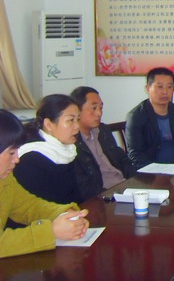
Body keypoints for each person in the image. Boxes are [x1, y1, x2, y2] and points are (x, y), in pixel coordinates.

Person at [0, 109, 89, 258]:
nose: (17, 159)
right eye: (11, 153)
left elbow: (28, 206)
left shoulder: (5, 178)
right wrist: (50, 232)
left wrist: (65, 213)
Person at [13, 95, 83, 204]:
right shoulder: (30, 159)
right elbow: (38, 206)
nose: (77, 126)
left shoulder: (68, 150)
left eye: (78, 119)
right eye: (70, 120)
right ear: (48, 125)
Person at [71, 86, 136, 200]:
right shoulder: (73, 142)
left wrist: (136, 181)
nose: (99, 113)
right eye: (94, 108)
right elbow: (84, 187)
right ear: (77, 111)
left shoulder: (103, 131)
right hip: (104, 196)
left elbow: (122, 159)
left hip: (124, 187)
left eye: (101, 108)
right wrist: (111, 196)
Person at [125, 67, 174, 169]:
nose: (165, 91)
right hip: (151, 172)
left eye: (169, 87)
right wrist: (156, 171)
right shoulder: (136, 117)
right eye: (160, 87)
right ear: (148, 88)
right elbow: (136, 155)